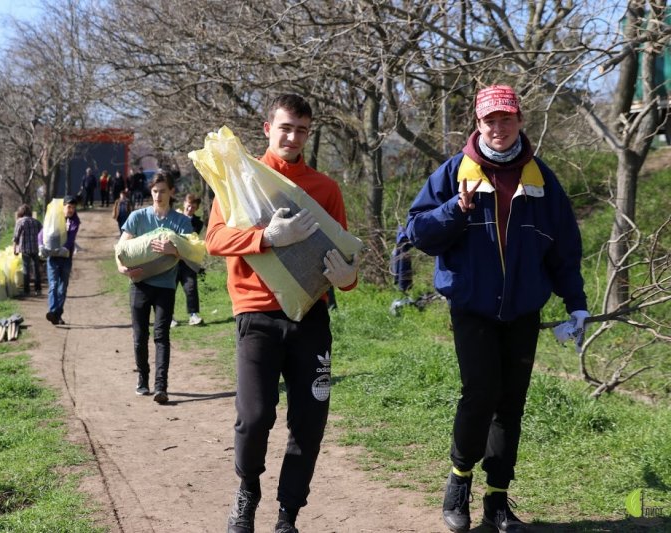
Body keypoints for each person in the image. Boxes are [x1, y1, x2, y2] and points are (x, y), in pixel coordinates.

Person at [404, 85, 589, 533]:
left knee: (511, 404)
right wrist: (456, 209)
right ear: (477, 123)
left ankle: (498, 501)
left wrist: (577, 306)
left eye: (506, 119)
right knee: (480, 393)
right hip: (473, 306)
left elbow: (564, 250)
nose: (498, 128)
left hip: (522, 310)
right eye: (490, 120)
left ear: (519, 121)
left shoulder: (541, 179)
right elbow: (417, 232)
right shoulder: (454, 173)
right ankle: (459, 481)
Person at [206, 94, 359, 533]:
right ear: (267, 127)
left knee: (309, 422)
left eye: (302, 130)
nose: (293, 137)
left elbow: (343, 261)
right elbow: (215, 239)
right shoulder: (241, 179)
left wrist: (348, 277)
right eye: (286, 127)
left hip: (311, 316)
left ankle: (287, 516)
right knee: (254, 418)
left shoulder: (325, 189)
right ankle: (247, 490)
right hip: (256, 313)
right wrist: (266, 237)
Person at [116, 172, 192, 404]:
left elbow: (193, 253)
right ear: (151, 192)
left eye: (163, 190)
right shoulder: (138, 217)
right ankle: (143, 378)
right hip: (139, 284)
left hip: (166, 286)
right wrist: (122, 268)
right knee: (140, 337)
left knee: (162, 336)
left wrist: (174, 250)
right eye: (155, 191)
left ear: (171, 192)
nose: (158, 195)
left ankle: (161, 386)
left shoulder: (181, 221)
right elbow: (121, 248)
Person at [43, 195, 81, 325]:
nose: (71, 210)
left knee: (62, 288)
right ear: (63, 206)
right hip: (53, 257)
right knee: (53, 285)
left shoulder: (75, 220)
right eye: (69, 207)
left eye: (73, 208)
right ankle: (53, 311)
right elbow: (42, 233)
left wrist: (65, 248)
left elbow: (71, 237)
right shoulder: (54, 217)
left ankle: (57, 314)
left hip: (65, 258)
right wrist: (40, 245)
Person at [171, 193, 205, 327]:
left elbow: (189, 237)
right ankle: (169, 317)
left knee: (191, 288)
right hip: (171, 260)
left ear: (196, 209)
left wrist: (183, 218)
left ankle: (193, 315)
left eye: (193, 207)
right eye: (189, 205)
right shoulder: (172, 217)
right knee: (169, 289)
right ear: (184, 203)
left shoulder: (198, 222)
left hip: (187, 261)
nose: (190, 208)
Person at [12, 204, 43, 297]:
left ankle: (27, 290)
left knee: (26, 270)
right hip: (35, 248)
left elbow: (16, 237)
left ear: (21, 212)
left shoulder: (20, 222)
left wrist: (15, 249)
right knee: (36, 269)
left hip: (25, 249)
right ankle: (38, 290)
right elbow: (42, 234)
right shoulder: (36, 222)